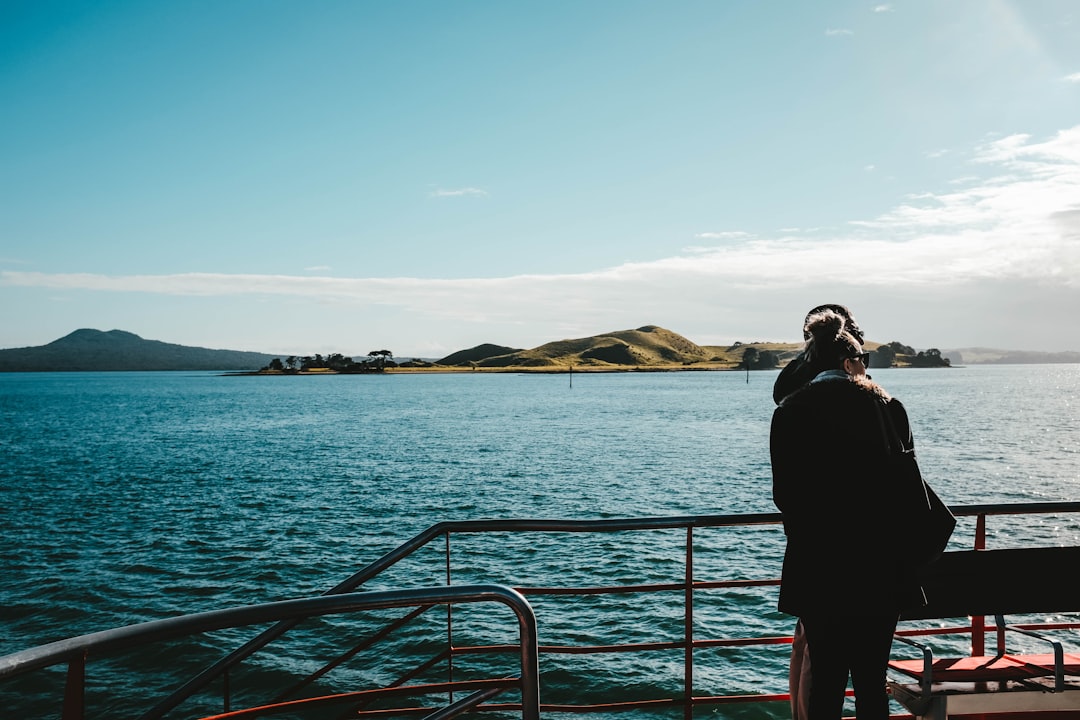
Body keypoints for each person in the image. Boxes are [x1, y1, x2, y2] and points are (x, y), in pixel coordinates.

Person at [770, 309, 925, 720]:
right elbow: (911, 491)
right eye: (863, 362)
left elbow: (785, 496)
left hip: (820, 569)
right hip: (882, 567)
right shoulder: (890, 408)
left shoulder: (790, 412)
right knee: (872, 683)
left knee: (825, 683)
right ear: (849, 362)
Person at [774, 303, 864, 720]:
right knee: (859, 674)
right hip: (872, 552)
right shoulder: (882, 405)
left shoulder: (792, 407)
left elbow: (785, 494)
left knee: (816, 657)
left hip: (815, 549)